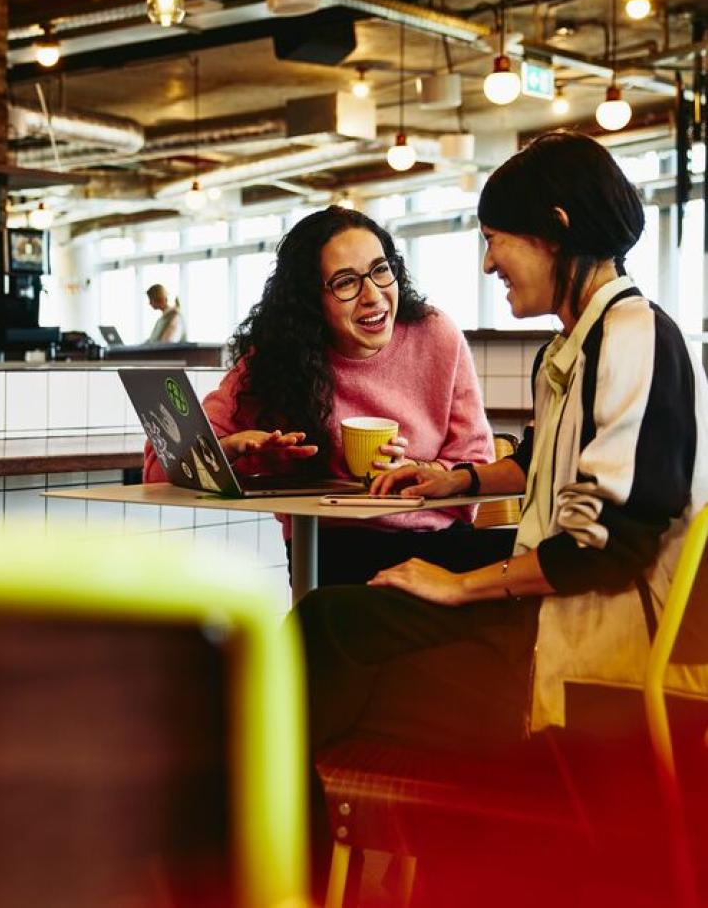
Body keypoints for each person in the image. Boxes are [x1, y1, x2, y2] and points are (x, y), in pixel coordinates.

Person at [298, 132, 708, 889]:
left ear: (553, 228)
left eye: (494, 241)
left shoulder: (634, 337)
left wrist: (459, 585)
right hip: (553, 616)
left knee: (322, 667)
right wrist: (455, 481)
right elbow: (549, 459)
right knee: (329, 622)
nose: (488, 265)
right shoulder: (589, 338)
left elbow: (604, 543)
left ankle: (290, 864)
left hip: (589, 664)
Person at [143, 206, 505, 586]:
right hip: (332, 551)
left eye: (381, 270)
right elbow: (159, 469)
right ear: (309, 300)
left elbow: (475, 461)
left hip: (441, 544)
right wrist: (232, 448)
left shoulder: (435, 335)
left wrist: (420, 472)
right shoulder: (276, 360)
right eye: (346, 282)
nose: (373, 295)